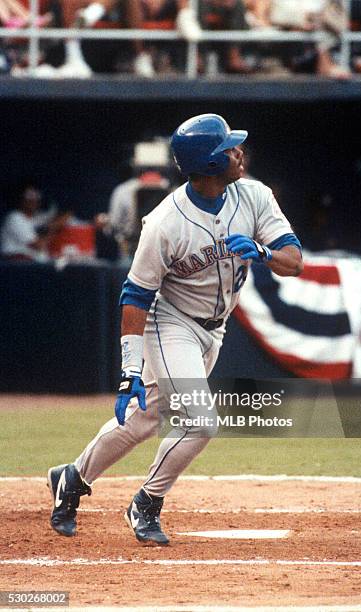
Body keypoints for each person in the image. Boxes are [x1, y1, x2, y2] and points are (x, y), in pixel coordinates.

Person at [47, 113, 303, 546]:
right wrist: (130, 370)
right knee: (200, 422)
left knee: (145, 420)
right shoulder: (165, 222)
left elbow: (295, 261)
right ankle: (146, 502)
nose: (238, 152)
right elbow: (135, 296)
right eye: (229, 149)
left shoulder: (255, 195)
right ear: (209, 166)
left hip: (214, 329)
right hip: (171, 322)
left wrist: (262, 252)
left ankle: (71, 477)